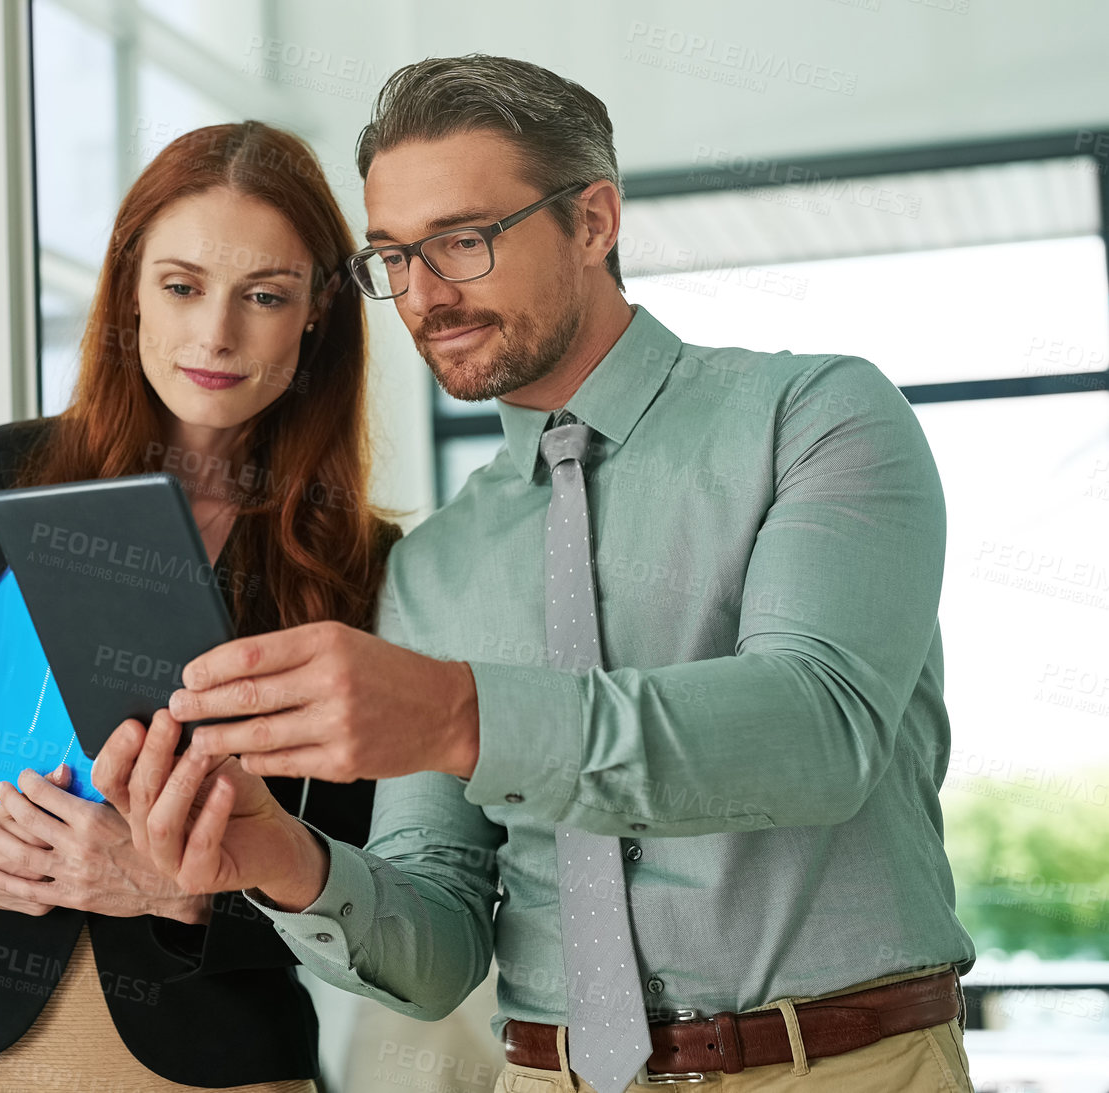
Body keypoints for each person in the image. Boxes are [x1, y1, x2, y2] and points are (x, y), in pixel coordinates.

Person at [99, 56, 978, 1093]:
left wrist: (464, 715)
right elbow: (440, 944)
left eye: (463, 242)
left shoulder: (816, 417)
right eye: (393, 258)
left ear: (594, 220)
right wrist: (288, 862)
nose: (424, 294)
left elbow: (817, 732)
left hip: (836, 1068)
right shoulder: (435, 564)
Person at [0, 121, 403, 1091]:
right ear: (131, 291)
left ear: (314, 314)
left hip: (222, 1054)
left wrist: (185, 894)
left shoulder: (360, 561)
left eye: (263, 296)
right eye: (182, 286)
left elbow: (361, 867)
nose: (216, 334)